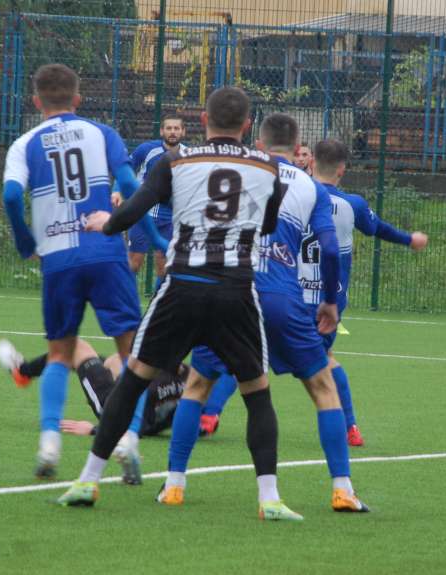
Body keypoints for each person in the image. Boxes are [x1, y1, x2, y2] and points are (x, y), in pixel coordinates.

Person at [56, 87, 303, 521]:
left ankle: (88, 481)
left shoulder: (176, 160)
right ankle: (270, 498)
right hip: (236, 291)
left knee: (133, 379)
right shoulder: (268, 167)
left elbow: (138, 207)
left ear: (203, 119)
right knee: (257, 394)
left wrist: (106, 223)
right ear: (247, 125)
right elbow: (265, 224)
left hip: (183, 285)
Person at [167, 114, 369, 514]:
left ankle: (174, 485)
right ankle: (342, 490)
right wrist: (329, 300)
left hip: (234, 289)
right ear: (299, 151)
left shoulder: (242, 169)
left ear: (258, 143)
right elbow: (329, 251)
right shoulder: (312, 187)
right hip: (282, 297)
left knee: (198, 384)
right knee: (322, 388)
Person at [2, 63, 167, 480]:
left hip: (59, 258)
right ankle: (128, 439)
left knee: (60, 353)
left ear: (36, 101)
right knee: (132, 354)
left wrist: (25, 239)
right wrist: (154, 237)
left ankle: (49, 443)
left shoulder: (25, 143)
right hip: (107, 250)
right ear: (78, 99)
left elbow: (8, 194)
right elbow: (132, 187)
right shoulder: (102, 133)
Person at [301, 138, 428, 446]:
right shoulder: (353, 205)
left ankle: (209, 413)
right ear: (343, 170)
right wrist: (409, 238)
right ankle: (349, 426)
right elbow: (379, 228)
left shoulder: (293, 196)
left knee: (251, 354)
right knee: (325, 359)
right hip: (329, 299)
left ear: (311, 161)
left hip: (289, 293)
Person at [0, 338, 235, 440]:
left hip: (115, 407)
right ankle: (25, 371)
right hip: (137, 405)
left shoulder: (174, 372)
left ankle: (22, 372)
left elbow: (141, 423)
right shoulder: (188, 376)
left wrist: (95, 430)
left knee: (76, 347)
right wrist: (207, 420)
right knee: (112, 361)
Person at [117, 116, 187, 284]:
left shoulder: (188, 155)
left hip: (169, 216)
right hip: (143, 213)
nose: (172, 132)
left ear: (183, 132)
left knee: (163, 265)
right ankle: (125, 301)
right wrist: (118, 192)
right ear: (162, 131)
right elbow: (125, 169)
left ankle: (156, 306)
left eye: (176, 128)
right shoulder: (146, 150)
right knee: (134, 261)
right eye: (169, 128)